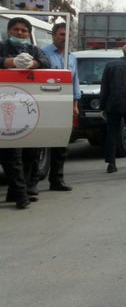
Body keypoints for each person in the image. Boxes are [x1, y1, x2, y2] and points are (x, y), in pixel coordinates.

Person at [1, 17, 51, 209]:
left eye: (24, 31)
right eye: (16, 30)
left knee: (31, 152)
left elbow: (46, 62)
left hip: (29, 108)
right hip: (5, 106)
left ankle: (17, 192)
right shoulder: (2, 47)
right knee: (11, 154)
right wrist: (9, 62)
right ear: (9, 31)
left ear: (29, 34)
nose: (20, 33)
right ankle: (21, 196)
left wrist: (34, 64)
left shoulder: (33, 50)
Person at [27, 22, 79, 193]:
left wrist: (75, 105)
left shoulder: (72, 57)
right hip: (44, 103)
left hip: (64, 105)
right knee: (38, 144)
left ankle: (57, 180)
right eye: (61, 34)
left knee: (61, 143)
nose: (65, 38)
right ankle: (32, 183)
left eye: (67, 35)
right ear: (53, 35)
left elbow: (74, 82)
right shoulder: (43, 54)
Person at [100, 43, 126, 173]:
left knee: (112, 134)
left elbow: (104, 87)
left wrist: (102, 106)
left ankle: (111, 163)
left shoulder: (110, 65)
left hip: (113, 104)